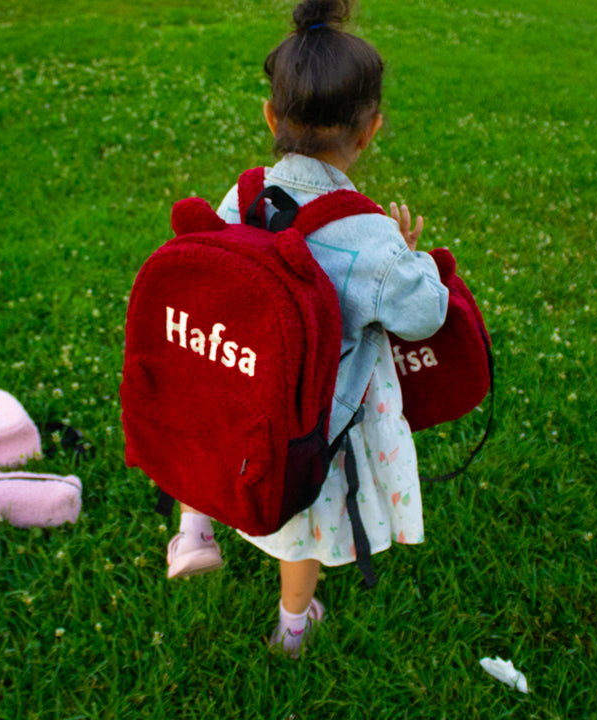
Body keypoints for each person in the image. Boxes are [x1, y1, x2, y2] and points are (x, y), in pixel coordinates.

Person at [165, 0, 449, 657]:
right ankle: (293, 627)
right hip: (313, 419)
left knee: (219, 451)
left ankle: (195, 530)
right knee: (301, 531)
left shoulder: (242, 195)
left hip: (242, 385)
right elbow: (424, 316)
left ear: (270, 116)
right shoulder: (372, 238)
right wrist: (411, 259)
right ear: (371, 130)